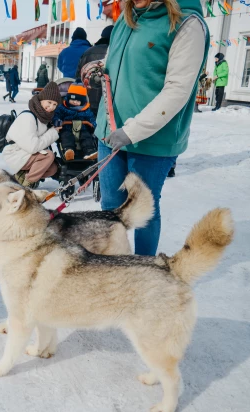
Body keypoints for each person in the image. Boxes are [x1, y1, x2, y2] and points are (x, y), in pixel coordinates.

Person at [87, 0, 209, 256]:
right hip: (110, 132)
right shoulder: (126, 18)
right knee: (110, 206)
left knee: (143, 209)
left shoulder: (188, 24)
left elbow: (178, 90)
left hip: (153, 140)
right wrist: (97, 68)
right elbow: (115, 63)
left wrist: (132, 130)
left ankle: (145, 271)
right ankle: (113, 267)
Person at [3, 82, 62, 188]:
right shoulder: (29, 117)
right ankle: (26, 186)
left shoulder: (43, 118)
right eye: (49, 102)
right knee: (48, 156)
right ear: (41, 100)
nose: (51, 107)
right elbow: (33, 147)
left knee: (53, 168)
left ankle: (21, 176)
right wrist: (53, 133)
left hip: (25, 153)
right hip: (16, 153)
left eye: (55, 104)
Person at [76, 25, 114, 116]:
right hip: (109, 99)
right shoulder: (115, 52)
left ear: (102, 36)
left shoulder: (88, 52)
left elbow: (78, 76)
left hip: (89, 98)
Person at [53, 83, 97, 161]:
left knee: (86, 137)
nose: (74, 102)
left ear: (82, 101)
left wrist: (94, 124)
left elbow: (91, 117)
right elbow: (57, 115)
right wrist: (57, 121)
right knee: (66, 136)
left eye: (77, 101)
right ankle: (68, 150)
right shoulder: (62, 108)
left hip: (83, 129)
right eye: (72, 99)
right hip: (67, 128)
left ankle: (89, 151)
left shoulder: (86, 109)